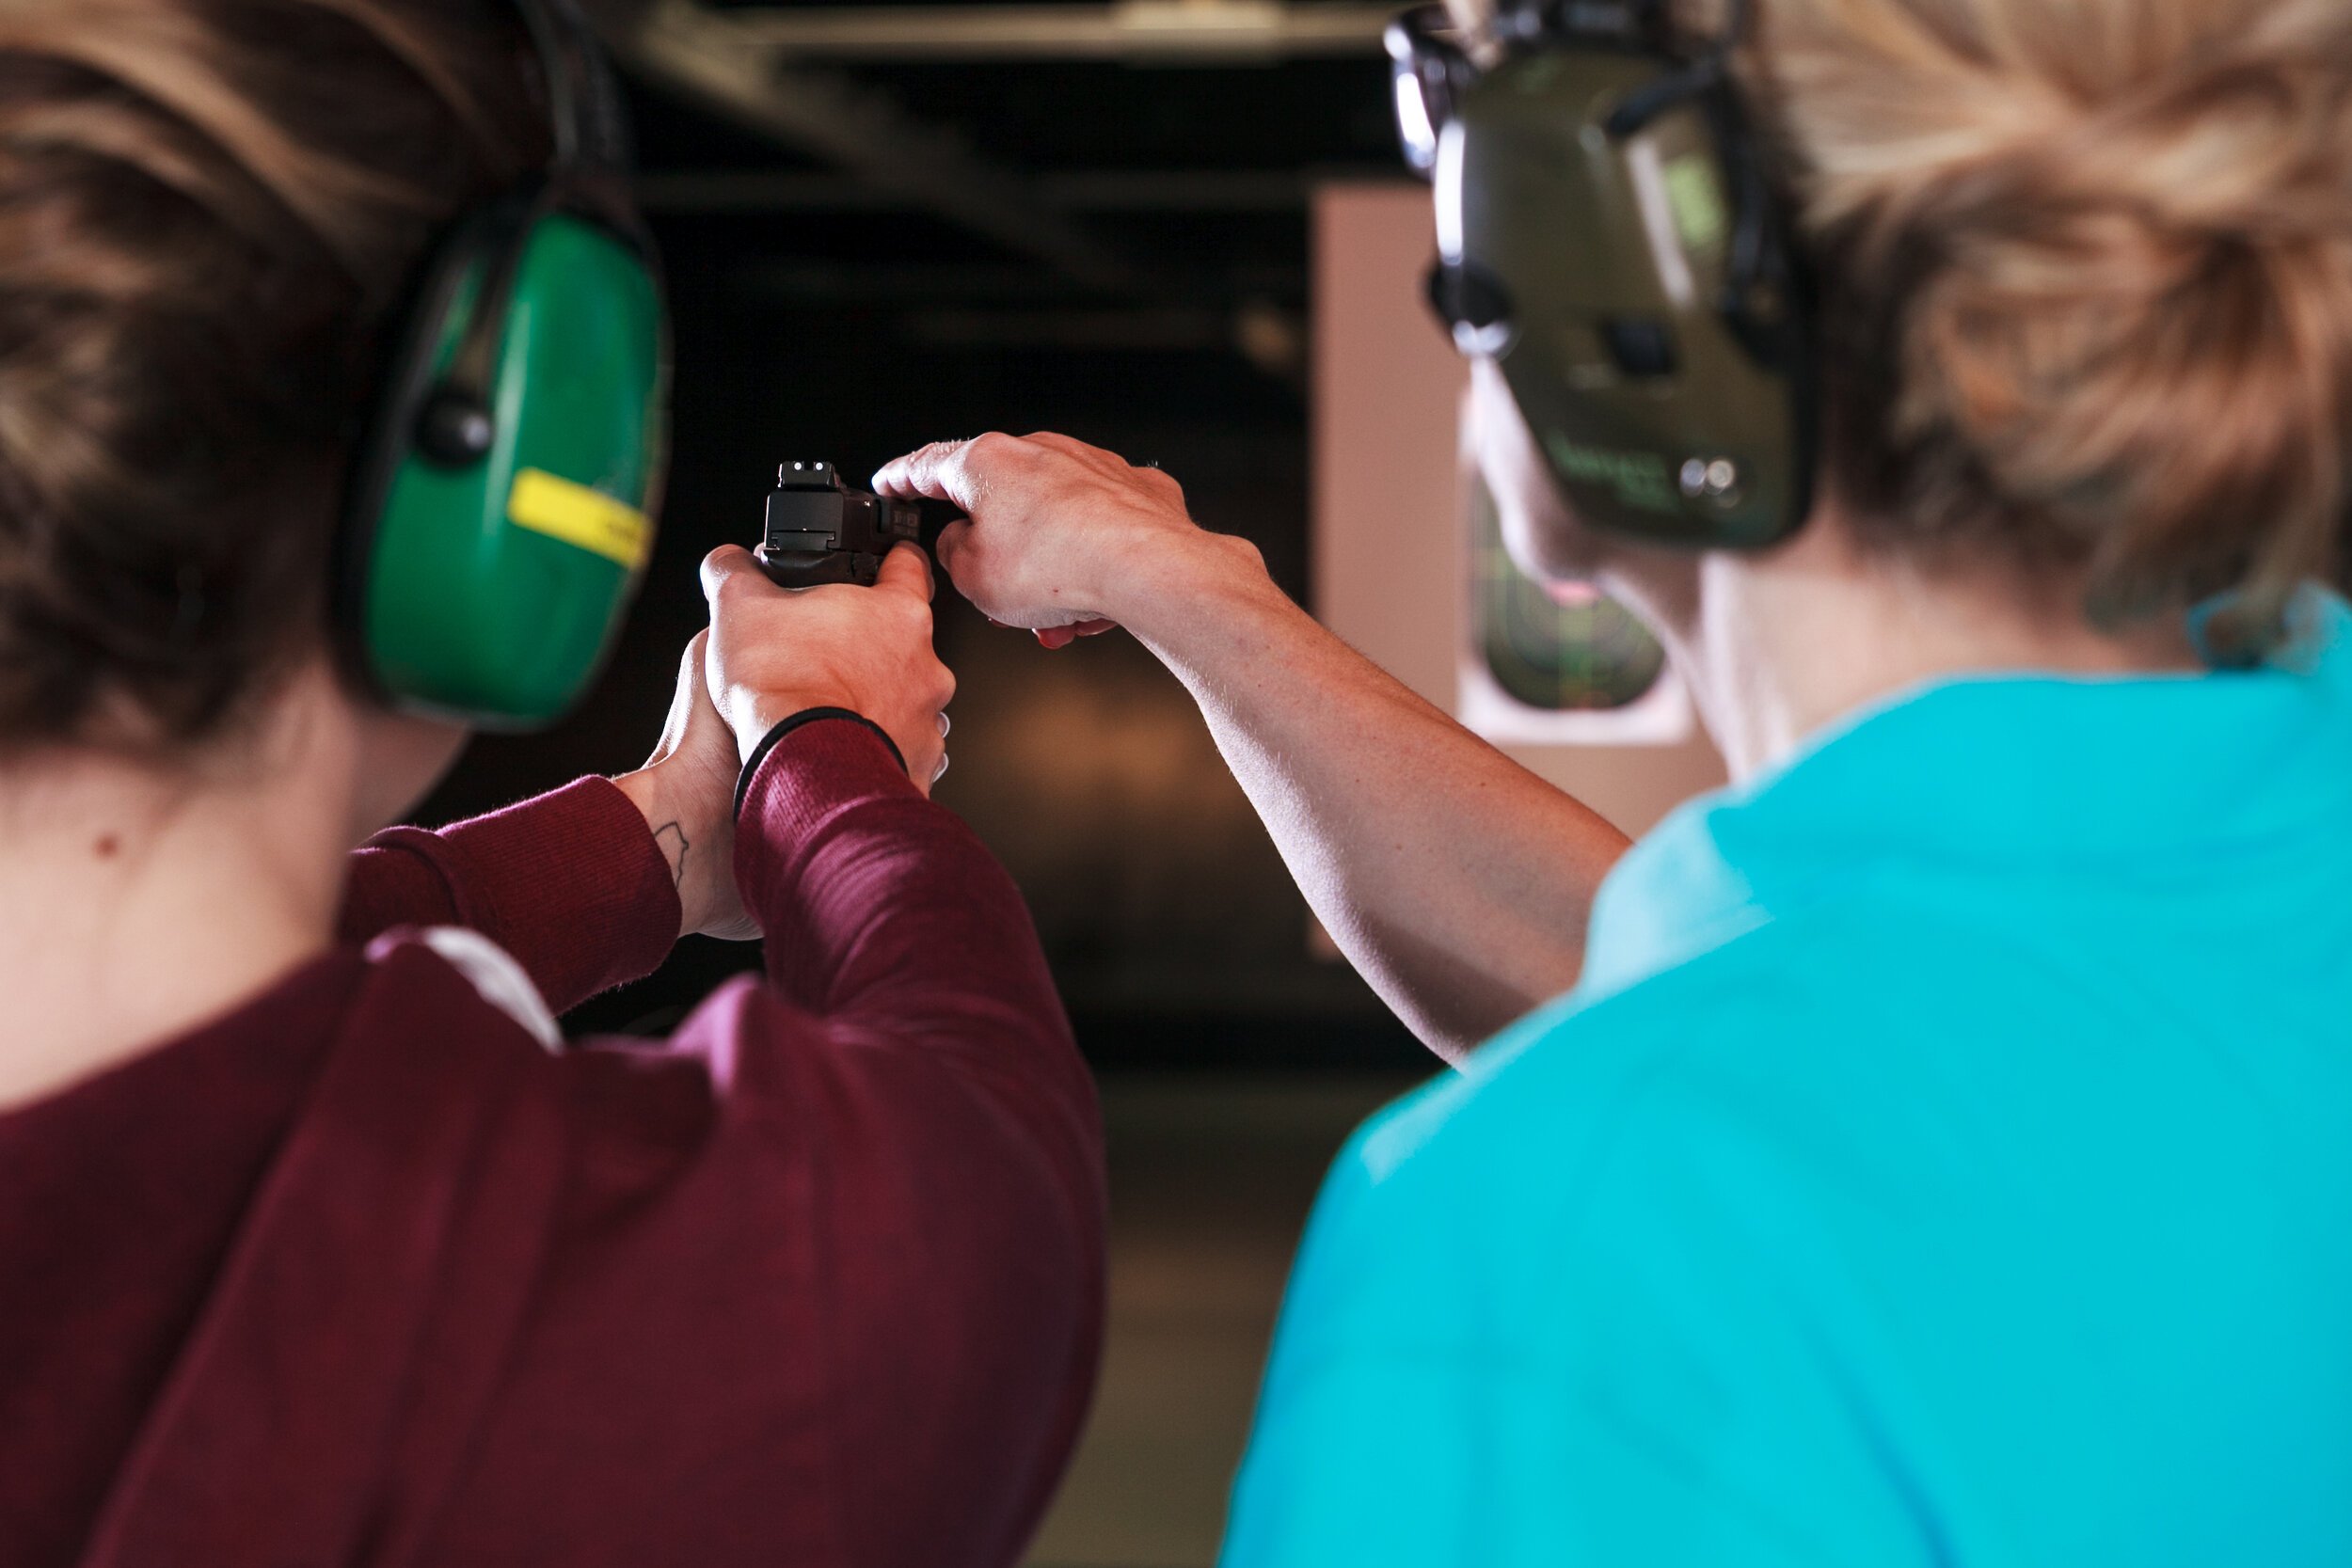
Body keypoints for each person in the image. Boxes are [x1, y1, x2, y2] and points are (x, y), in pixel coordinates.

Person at [875, 0, 2352, 1559]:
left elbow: (1770, 1084)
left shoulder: (1557, 1258)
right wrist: (1195, 595)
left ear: (1604, 271)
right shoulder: (2234, 853)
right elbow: (1840, 1030)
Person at [0, 4, 1102, 1566]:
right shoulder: (625, 1313)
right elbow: (990, 1163)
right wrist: (822, 752)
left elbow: (332, 945)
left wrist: (672, 827)